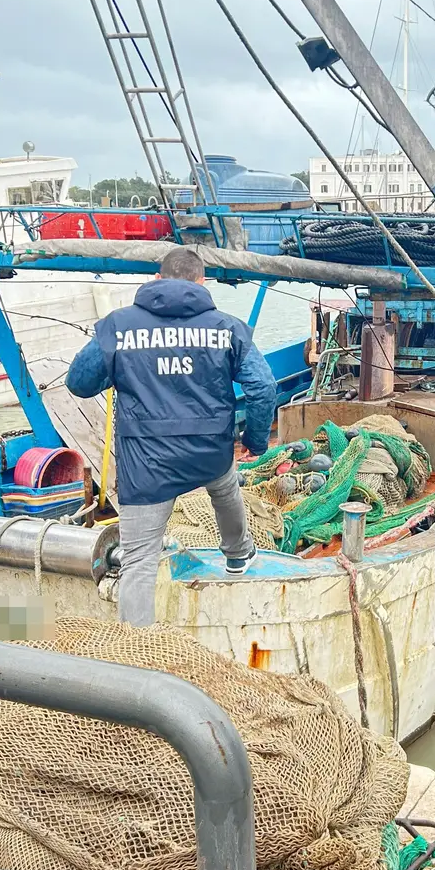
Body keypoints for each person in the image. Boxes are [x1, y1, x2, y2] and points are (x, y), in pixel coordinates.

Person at [66, 246, 277, 625]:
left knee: (140, 561)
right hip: (208, 450)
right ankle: (237, 554)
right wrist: (255, 440)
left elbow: (79, 383)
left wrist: (119, 372)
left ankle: (138, 655)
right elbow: (263, 387)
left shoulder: (118, 326)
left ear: (158, 279)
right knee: (225, 484)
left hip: (146, 463)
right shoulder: (226, 327)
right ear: (202, 281)